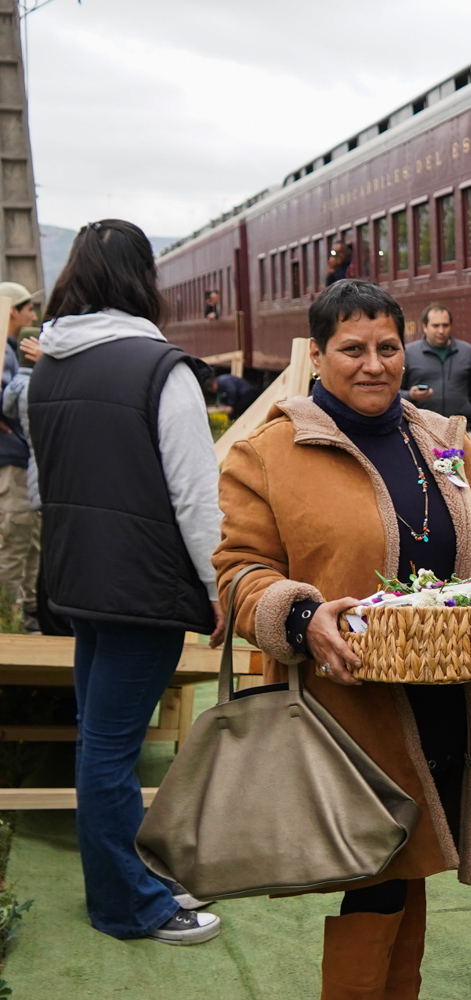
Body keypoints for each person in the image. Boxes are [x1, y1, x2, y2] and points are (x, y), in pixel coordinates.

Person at [215, 279, 471, 998]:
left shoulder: (442, 440)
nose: (374, 364)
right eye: (352, 349)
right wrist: (299, 615)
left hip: (454, 698)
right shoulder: (269, 453)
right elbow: (238, 571)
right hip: (350, 704)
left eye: (388, 347)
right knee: (376, 881)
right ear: (318, 356)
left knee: (405, 872)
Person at [26, 220, 226, 944]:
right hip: (142, 585)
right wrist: (220, 586)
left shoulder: (47, 367)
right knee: (108, 748)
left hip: (78, 578)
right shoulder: (158, 366)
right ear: (143, 278)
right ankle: (127, 904)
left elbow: (43, 484)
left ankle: (124, 880)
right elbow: (196, 495)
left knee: (97, 740)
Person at [0, 281, 40, 632]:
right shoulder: (4, 352)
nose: (33, 316)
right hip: (11, 460)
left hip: (18, 458)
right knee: (15, 539)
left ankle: (21, 611)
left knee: (25, 539)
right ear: (12, 310)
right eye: (29, 309)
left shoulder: (10, 351)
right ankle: (8, 618)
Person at [403, 302, 471, 436]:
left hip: (460, 431)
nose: (441, 331)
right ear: (424, 327)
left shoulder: (465, 351)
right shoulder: (409, 353)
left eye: (445, 325)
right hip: (424, 431)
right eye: (435, 326)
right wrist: (410, 395)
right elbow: (394, 393)